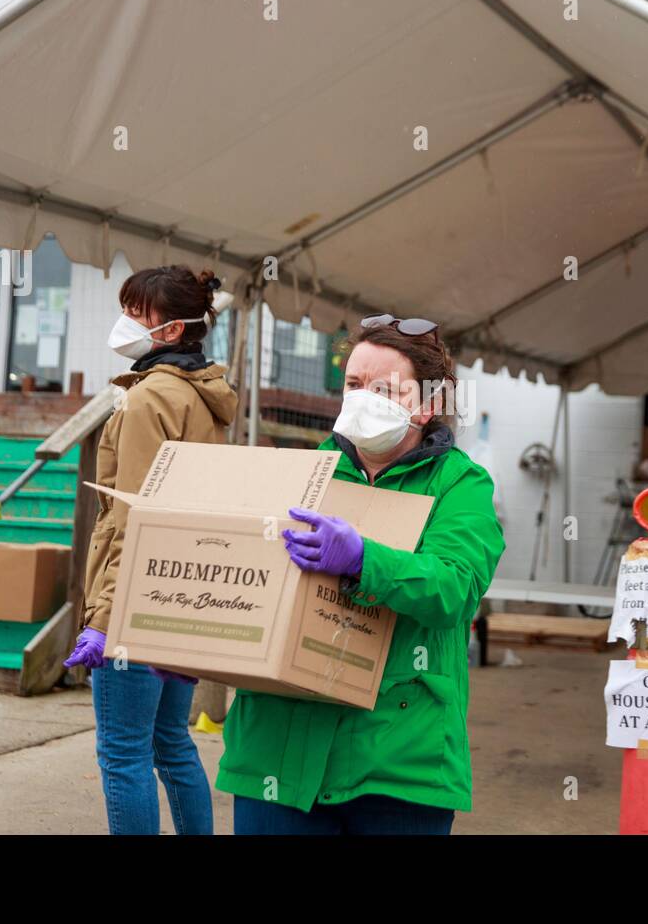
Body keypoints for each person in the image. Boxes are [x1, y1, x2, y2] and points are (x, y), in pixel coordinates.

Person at [216, 314, 505, 835]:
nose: (362, 398)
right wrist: (186, 649)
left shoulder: (461, 485)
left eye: (383, 389)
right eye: (353, 384)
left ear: (428, 404)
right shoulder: (305, 473)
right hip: (277, 752)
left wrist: (364, 561)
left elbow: (453, 588)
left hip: (396, 760)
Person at [63, 264, 238, 835]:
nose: (124, 321)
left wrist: (103, 618)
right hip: (182, 595)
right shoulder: (201, 396)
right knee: (171, 744)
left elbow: (133, 518)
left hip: (135, 601)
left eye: (136, 313)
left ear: (171, 330)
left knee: (123, 753)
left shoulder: (149, 400)